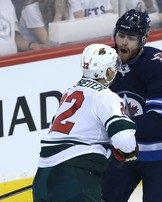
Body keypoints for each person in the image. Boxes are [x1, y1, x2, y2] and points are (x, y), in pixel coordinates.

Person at [101, 9, 162, 202]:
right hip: (123, 155)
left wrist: (118, 132)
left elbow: (160, 118)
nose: (123, 42)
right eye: (121, 35)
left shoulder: (157, 64)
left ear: (143, 40)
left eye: (131, 38)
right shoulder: (104, 61)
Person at [32, 43, 138, 201]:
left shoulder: (69, 93)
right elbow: (124, 139)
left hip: (42, 178)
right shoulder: (104, 96)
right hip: (75, 179)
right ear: (108, 71)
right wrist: (127, 152)